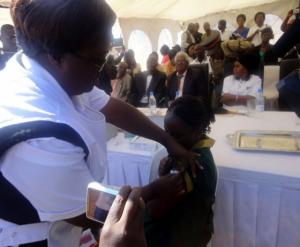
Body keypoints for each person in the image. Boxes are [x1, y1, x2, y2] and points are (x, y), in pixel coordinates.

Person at [0, 0, 198, 246]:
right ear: (55, 56)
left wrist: (167, 140)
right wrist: (155, 191)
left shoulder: (45, 68)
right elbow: (90, 212)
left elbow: (113, 107)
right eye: (98, 60)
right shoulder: (38, 139)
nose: (107, 71)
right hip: (34, 237)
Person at [145, 96, 217, 247]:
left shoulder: (193, 164)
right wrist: (163, 176)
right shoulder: (196, 150)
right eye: (166, 133)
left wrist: (154, 188)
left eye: (177, 136)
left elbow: (155, 209)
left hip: (178, 236)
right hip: (193, 228)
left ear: (196, 132)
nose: (170, 142)